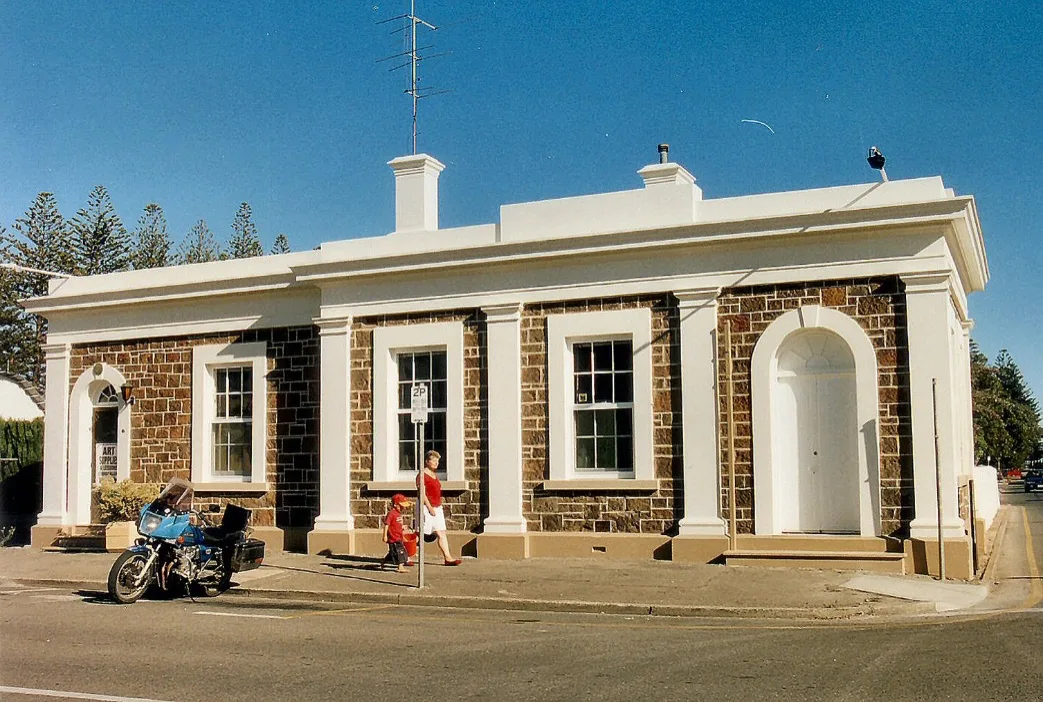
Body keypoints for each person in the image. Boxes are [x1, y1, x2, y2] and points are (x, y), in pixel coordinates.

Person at [417, 450, 462, 566]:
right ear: (427, 461)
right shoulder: (422, 475)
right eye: (434, 460)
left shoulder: (434, 475)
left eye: (438, 461)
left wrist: (436, 507)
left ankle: (448, 558)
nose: (436, 463)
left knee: (441, 532)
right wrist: (429, 507)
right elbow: (422, 493)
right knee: (422, 534)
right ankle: (403, 553)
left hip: (437, 506)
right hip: (426, 507)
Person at [381, 493, 413, 573]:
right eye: (401, 506)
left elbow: (396, 525)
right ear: (395, 505)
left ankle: (383, 562)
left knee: (392, 552)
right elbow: (387, 525)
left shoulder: (399, 514)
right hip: (393, 538)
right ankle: (400, 567)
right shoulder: (391, 514)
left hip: (399, 536)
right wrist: (385, 535)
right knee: (400, 552)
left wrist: (402, 527)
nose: (403, 508)